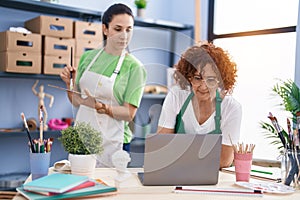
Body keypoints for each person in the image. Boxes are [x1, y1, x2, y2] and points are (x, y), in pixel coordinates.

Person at [60, 3, 146, 167]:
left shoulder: (135, 67)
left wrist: (101, 107)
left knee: (109, 188)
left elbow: (129, 114)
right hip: (82, 137)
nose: (124, 36)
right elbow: (76, 101)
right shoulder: (88, 57)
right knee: (79, 186)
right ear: (105, 29)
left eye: (129, 30)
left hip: (115, 142)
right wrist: (68, 83)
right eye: (118, 29)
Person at [157, 43, 242, 168]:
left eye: (211, 80)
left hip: (214, 177)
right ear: (189, 77)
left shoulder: (231, 107)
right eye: (197, 78)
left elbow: (224, 160)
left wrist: (179, 152)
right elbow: (162, 145)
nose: (203, 86)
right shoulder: (177, 96)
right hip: (176, 172)